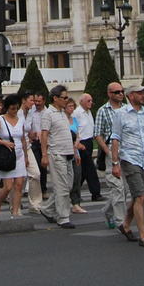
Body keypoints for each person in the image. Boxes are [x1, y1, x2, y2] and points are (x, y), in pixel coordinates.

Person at [111, 84, 144, 247]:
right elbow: (115, 138)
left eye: (143, 93)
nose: (143, 95)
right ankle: (143, 235)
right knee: (141, 196)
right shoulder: (121, 114)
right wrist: (115, 163)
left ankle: (125, 224)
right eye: (139, 93)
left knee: (137, 196)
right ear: (130, 96)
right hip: (129, 158)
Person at [38, 85, 77, 228]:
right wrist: (44, 155)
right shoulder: (49, 114)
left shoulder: (62, 113)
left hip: (67, 153)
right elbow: (44, 135)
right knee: (62, 187)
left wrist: (74, 152)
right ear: (55, 98)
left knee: (68, 185)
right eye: (64, 97)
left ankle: (47, 209)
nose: (66, 100)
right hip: (56, 153)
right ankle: (63, 217)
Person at [0, 92, 28, 217]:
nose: (15, 111)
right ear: (7, 107)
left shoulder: (20, 120)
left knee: (19, 185)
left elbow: (23, 139)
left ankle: (15, 211)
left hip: (19, 155)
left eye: (17, 108)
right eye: (12, 108)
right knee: (8, 186)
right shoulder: (0, 120)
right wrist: (4, 143)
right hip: (6, 156)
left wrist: (26, 156)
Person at [95, 82, 128, 228]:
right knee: (117, 188)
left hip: (126, 153)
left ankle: (108, 211)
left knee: (125, 190)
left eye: (121, 91)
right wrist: (107, 152)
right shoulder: (103, 110)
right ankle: (121, 222)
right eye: (117, 92)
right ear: (109, 94)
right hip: (111, 153)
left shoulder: (127, 109)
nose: (120, 94)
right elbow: (97, 134)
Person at [72, 93, 101, 204]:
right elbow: (74, 128)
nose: (91, 103)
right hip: (81, 143)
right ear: (82, 102)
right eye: (88, 101)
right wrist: (77, 143)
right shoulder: (77, 113)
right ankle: (96, 193)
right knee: (90, 169)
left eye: (91, 100)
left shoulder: (89, 113)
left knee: (83, 172)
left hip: (89, 142)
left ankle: (74, 192)